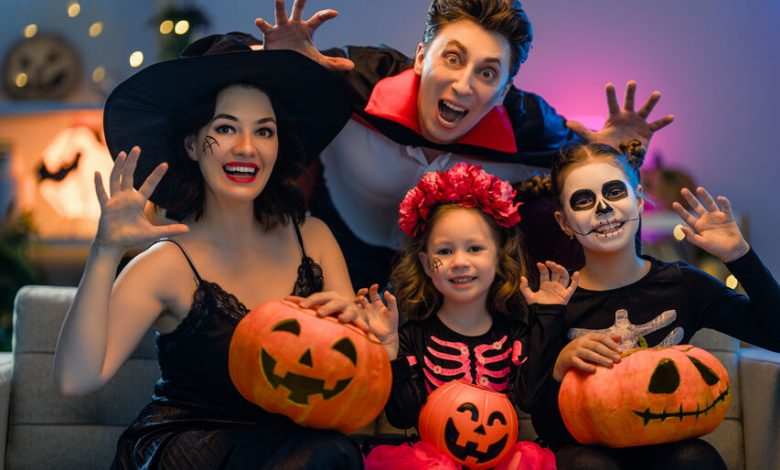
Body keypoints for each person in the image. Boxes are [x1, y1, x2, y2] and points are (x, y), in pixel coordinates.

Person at [52, 32, 367, 469]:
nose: (247, 147)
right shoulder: (166, 263)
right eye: (225, 128)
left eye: (264, 130)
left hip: (298, 449)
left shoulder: (312, 239)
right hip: (189, 449)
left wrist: (373, 340)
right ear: (192, 145)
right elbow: (75, 379)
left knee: (334, 454)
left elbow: (352, 379)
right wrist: (105, 251)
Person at [256, 0, 674, 290]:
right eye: (452, 59)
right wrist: (282, 70)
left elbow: (592, 165)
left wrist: (620, 153)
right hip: (336, 245)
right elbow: (223, 79)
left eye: (488, 73)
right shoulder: (357, 79)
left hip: (451, 279)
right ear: (421, 57)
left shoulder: (527, 125)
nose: (463, 84)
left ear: (506, 88)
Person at [530, 142, 780, 469]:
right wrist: (559, 366)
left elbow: (776, 335)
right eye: (583, 200)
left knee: (695, 460)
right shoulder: (555, 300)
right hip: (587, 451)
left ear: (637, 198)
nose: (603, 208)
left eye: (614, 192)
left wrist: (740, 256)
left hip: (670, 442)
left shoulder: (682, 284)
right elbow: (545, 423)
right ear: (564, 222)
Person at [357, 162, 577, 468]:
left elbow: (528, 399)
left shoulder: (513, 333)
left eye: (475, 248)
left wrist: (549, 317)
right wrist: (390, 351)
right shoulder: (413, 334)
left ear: (500, 257)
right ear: (424, 262)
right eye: (444, 252)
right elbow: (404, 415)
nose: (459, 262)